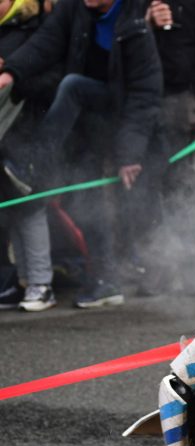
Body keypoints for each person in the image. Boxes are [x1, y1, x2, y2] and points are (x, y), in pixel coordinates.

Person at [0, 0, 162, 308]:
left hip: (123, 121)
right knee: (81, 200)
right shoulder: (73, 9)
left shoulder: (134, 24)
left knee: (141, 208)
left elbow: (145, 94)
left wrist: (129, 153)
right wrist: (11, 71)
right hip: (84, 124)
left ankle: (33, 163)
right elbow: (44, 43)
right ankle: (106, 281)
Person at [131, 0, 195, 294]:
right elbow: (113, 40)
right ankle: (155, 268)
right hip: (137, 101)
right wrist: (145, 23)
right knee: (143, 187)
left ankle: (191, 270)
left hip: (181, 100)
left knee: (184, 186)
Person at [0, 0, 60, 311]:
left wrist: (14, 78)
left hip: (26, 133)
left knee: (30, 208)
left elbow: (50, 78)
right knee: (12, 212)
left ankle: (41, 283)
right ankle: (23, 281)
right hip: (5, 137)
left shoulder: (34, 31)